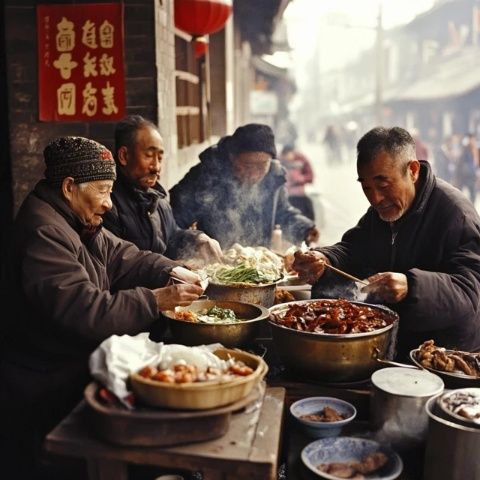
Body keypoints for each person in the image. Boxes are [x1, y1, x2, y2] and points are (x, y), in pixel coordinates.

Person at [0, 136, 204, 479]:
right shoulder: (45, 231)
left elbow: (125, 255)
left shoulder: (77, 220)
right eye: (103, 190)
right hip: (43, 384)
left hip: (69, 368)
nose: (109, 204)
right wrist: (157, 300)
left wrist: (171, 270)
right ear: (69, 187)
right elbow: (87, 311)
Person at [293, 126, 480, 360]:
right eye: (366, 187)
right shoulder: (383, 211)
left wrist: (412, 287)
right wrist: (325, 258)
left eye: (383, 185)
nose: (375, 199)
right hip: (396, 345)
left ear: (412, 170)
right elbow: (354, 249)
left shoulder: (455, 214)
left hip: (444, 355)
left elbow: (470, 292)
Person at [169, 123, 320, 249]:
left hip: (258, 263)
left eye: (261, 167)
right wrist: (195, 240)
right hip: (217, 261)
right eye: (247, 166)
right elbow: (172, 219)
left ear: (271, 162)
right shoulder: (208, 173)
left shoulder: (273, 176)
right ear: (232, 157)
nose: (254, 175)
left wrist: (305, 229)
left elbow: (283, 212)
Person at [102, 115, 223, 263]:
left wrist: (196, 239)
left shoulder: (159, 200)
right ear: (124, 156)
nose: (156, 167)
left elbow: (171, 237)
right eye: (149, 156)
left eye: (159, 158)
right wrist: (167, 267)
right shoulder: (106, 204)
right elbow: (116, 262)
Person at [279, 144, 315, 221]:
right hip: (284, 196)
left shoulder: (302, 160)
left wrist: (301, 179)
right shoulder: (278, 162)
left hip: (299, 195)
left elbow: (310, 176)